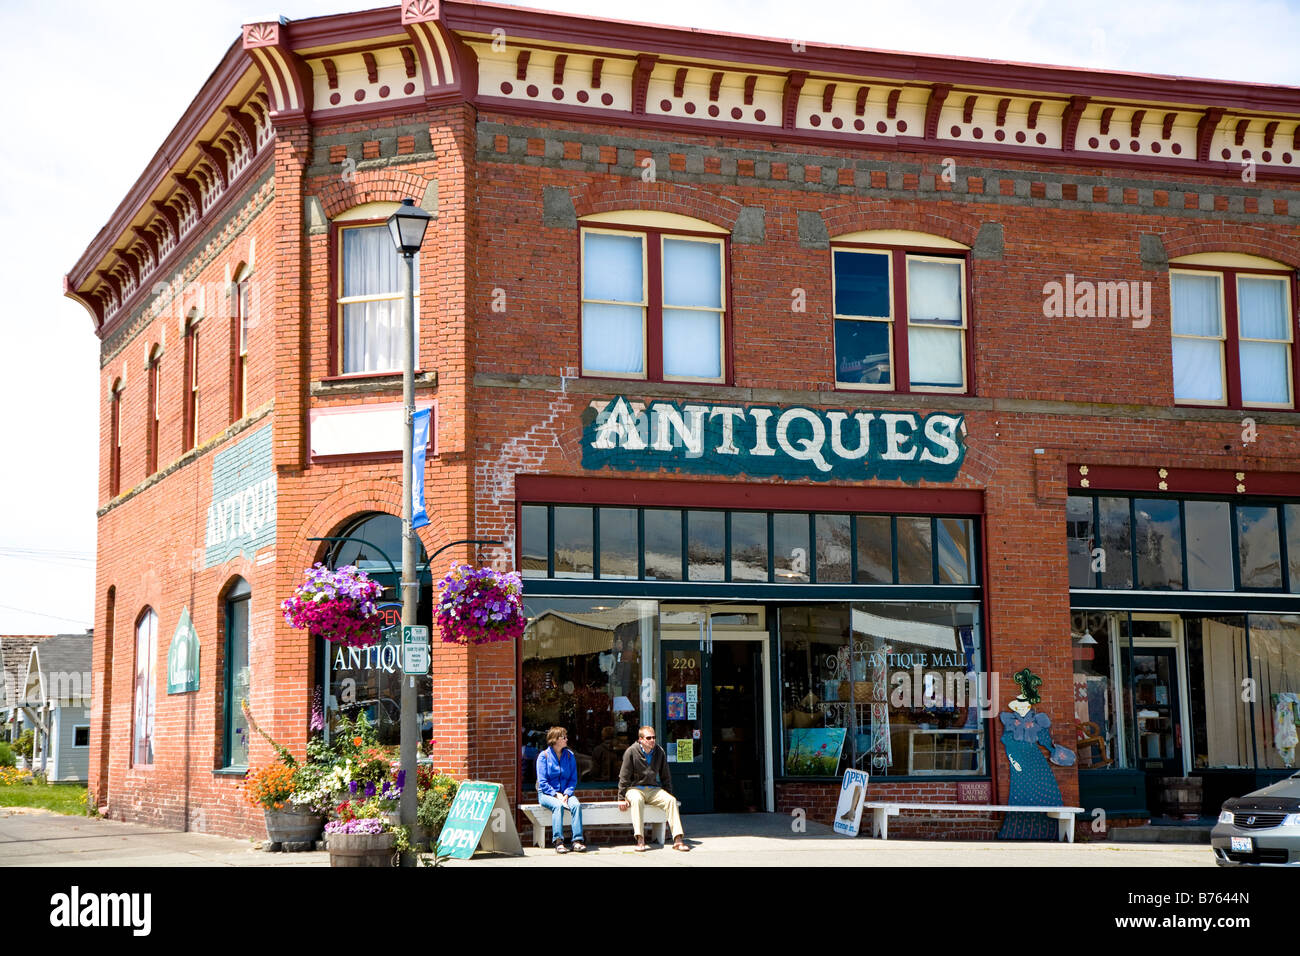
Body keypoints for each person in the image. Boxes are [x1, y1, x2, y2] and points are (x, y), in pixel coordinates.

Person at [618, 726, 689, 852]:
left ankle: (678, 840)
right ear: (640, 739)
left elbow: (665, 776)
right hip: (635, 789)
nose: (652, 740)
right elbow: (624, 776)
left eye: (654, 737)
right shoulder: (631, 751)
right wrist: (621, 797)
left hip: (653, 789)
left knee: (671, 801)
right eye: (649, 738)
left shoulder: (659, 751)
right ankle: (640, 839)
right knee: (637, 800)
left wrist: (668, 794)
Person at [536, 726, 585, 853]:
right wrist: (555, 794)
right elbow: (542, 782)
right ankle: (558, 841)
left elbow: (573, 779)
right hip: (547, 794)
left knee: (576, 805)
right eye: (564, 737)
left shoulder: (569, 756)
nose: (566, 739)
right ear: (555, 739)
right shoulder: (544, 756)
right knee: (558, 806)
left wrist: (567, 794)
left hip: (565, 793)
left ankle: (577, 841)